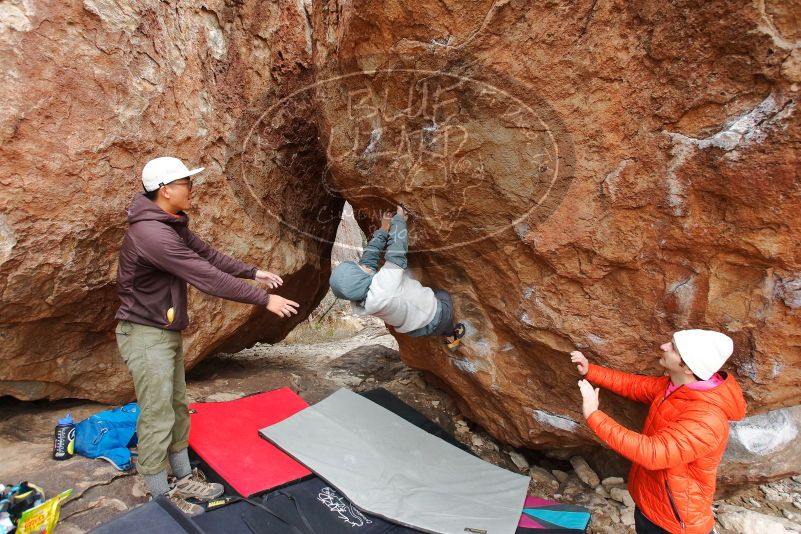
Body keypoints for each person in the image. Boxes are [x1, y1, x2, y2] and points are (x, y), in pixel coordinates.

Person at [115, 156, 300, 515]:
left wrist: (253, 272)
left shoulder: (169, 223)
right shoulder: (151, 234)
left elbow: (207, 255)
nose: (192, 188)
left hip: (163, 330)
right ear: (166, 190)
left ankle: (182, 477)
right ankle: (159, 498)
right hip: (144, 333)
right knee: (157, 413)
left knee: (177, 406)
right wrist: (264, 299)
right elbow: (206, 276)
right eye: (186, 183)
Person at [571, 330, 746, 534]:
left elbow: (653, 453)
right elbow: (634, 385)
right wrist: (591, 371)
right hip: (650, 503)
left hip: (674, 522)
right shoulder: (677, 386)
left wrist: (594, 415)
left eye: (673, 348)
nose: (664, 346)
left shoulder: (707, 419)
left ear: (688, 367)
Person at [329, 205, 464, 348]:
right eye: (359, 267)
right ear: (361, 276)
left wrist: (383, 230)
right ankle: (452, 338)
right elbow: (396, 252)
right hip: (437, 317)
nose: (363, 265)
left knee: (430, 316)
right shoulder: (384, 287)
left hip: (415, 329)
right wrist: (399, 220)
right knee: (442, 295)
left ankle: (443, 333)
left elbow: (368, 260)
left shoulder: (363, 298)